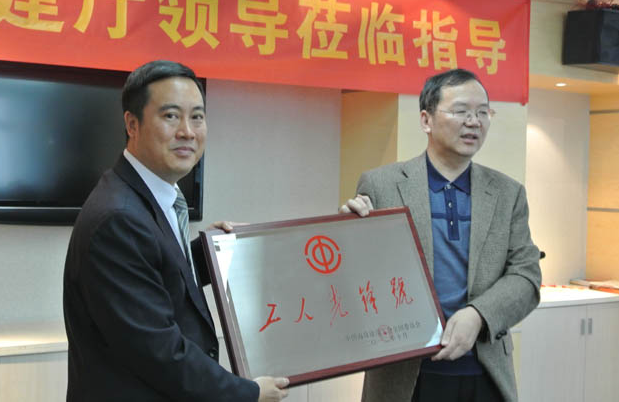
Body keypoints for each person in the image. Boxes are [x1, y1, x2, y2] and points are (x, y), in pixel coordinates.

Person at [63, 60, 289, 402]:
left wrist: (208, 252)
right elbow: (159, 351)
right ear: (132, 124)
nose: (187, 131)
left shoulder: (149, 197)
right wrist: (248, 393)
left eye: (197, 117)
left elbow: (155, 271)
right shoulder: (118, 219)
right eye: (171, 116)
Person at [340, 69, 541, 402]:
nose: (474, 122)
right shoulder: (381, 185)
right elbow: (359, 276)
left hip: (485, 371)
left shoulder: (508, 193)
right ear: (426, 120)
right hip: (404, 375)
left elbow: (526, 274)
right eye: (461, 111)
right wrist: (346, 236)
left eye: (483, 112)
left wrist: (478, 315)